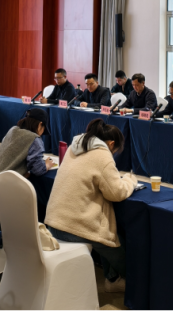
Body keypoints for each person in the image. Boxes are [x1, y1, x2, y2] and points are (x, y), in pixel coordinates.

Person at [45, 119, 136, 293]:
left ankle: (112, 278)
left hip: (54, 221)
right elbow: (116, 193)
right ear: (111, 144)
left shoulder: (74, 147)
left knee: (107, 229)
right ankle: (134, 287)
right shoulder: (102, 155)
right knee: (115, 243)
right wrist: (130, 180)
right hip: (73, 226)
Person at [0, 108, 53, 184]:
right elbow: (38, 170)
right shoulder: (34, 139)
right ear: (40, 125)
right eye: (44, 129)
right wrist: (47, 165)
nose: (42, 133)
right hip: (6, 184)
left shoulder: (13, 130)